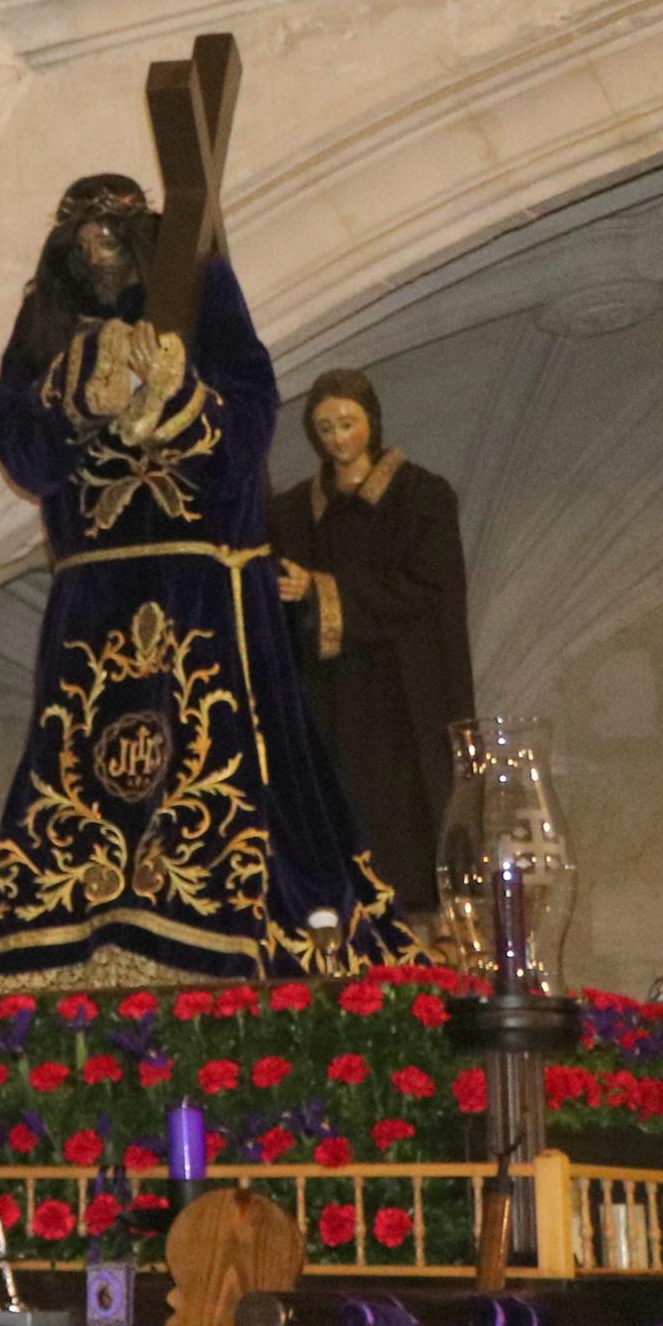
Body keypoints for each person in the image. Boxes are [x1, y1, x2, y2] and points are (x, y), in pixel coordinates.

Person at [0, 175, 404, 990]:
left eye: (112, 238)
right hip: (91, 603)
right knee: (82, 775)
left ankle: (220, 937)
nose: (98, 253)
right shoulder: (49, 323)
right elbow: (19, 442)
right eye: (83, 242)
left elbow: (247, 420)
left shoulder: (198, 289)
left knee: (217, 761)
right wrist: (82, 396)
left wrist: (171, 400)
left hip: (205, 591)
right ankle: (75, 941)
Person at [265, 367, 477, 918]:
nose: (338, 438)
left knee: (401, 830)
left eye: (348, 423)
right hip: (326, 700)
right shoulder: (290, 514)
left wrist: (321, 590)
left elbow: (428, 591)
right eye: (325, 427)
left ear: (371, 422)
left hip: (401, 698)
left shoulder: (420, 497)